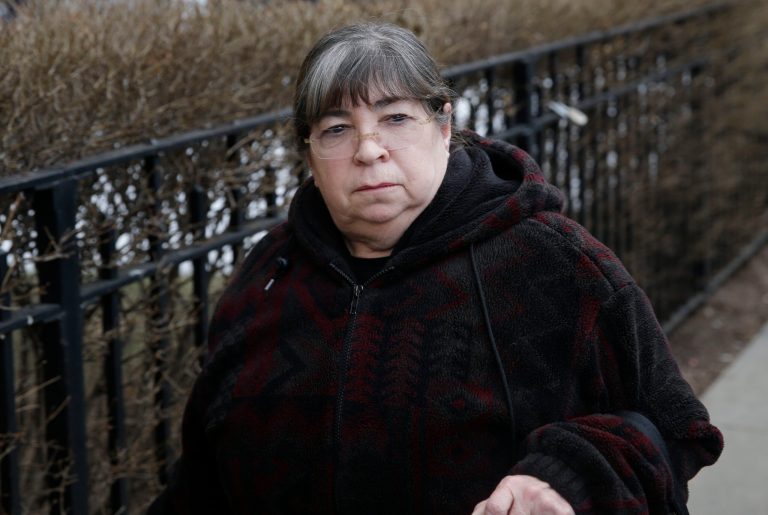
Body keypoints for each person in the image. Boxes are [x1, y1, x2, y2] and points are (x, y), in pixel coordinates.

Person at [148, 23, 723, 514]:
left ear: (444, 127)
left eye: (395, 118)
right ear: (309, 153)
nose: (368, 149)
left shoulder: (555, 262)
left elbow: (674, 427)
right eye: (337, 129)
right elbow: (203, 472)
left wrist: (567, 476)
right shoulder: (268, 274)